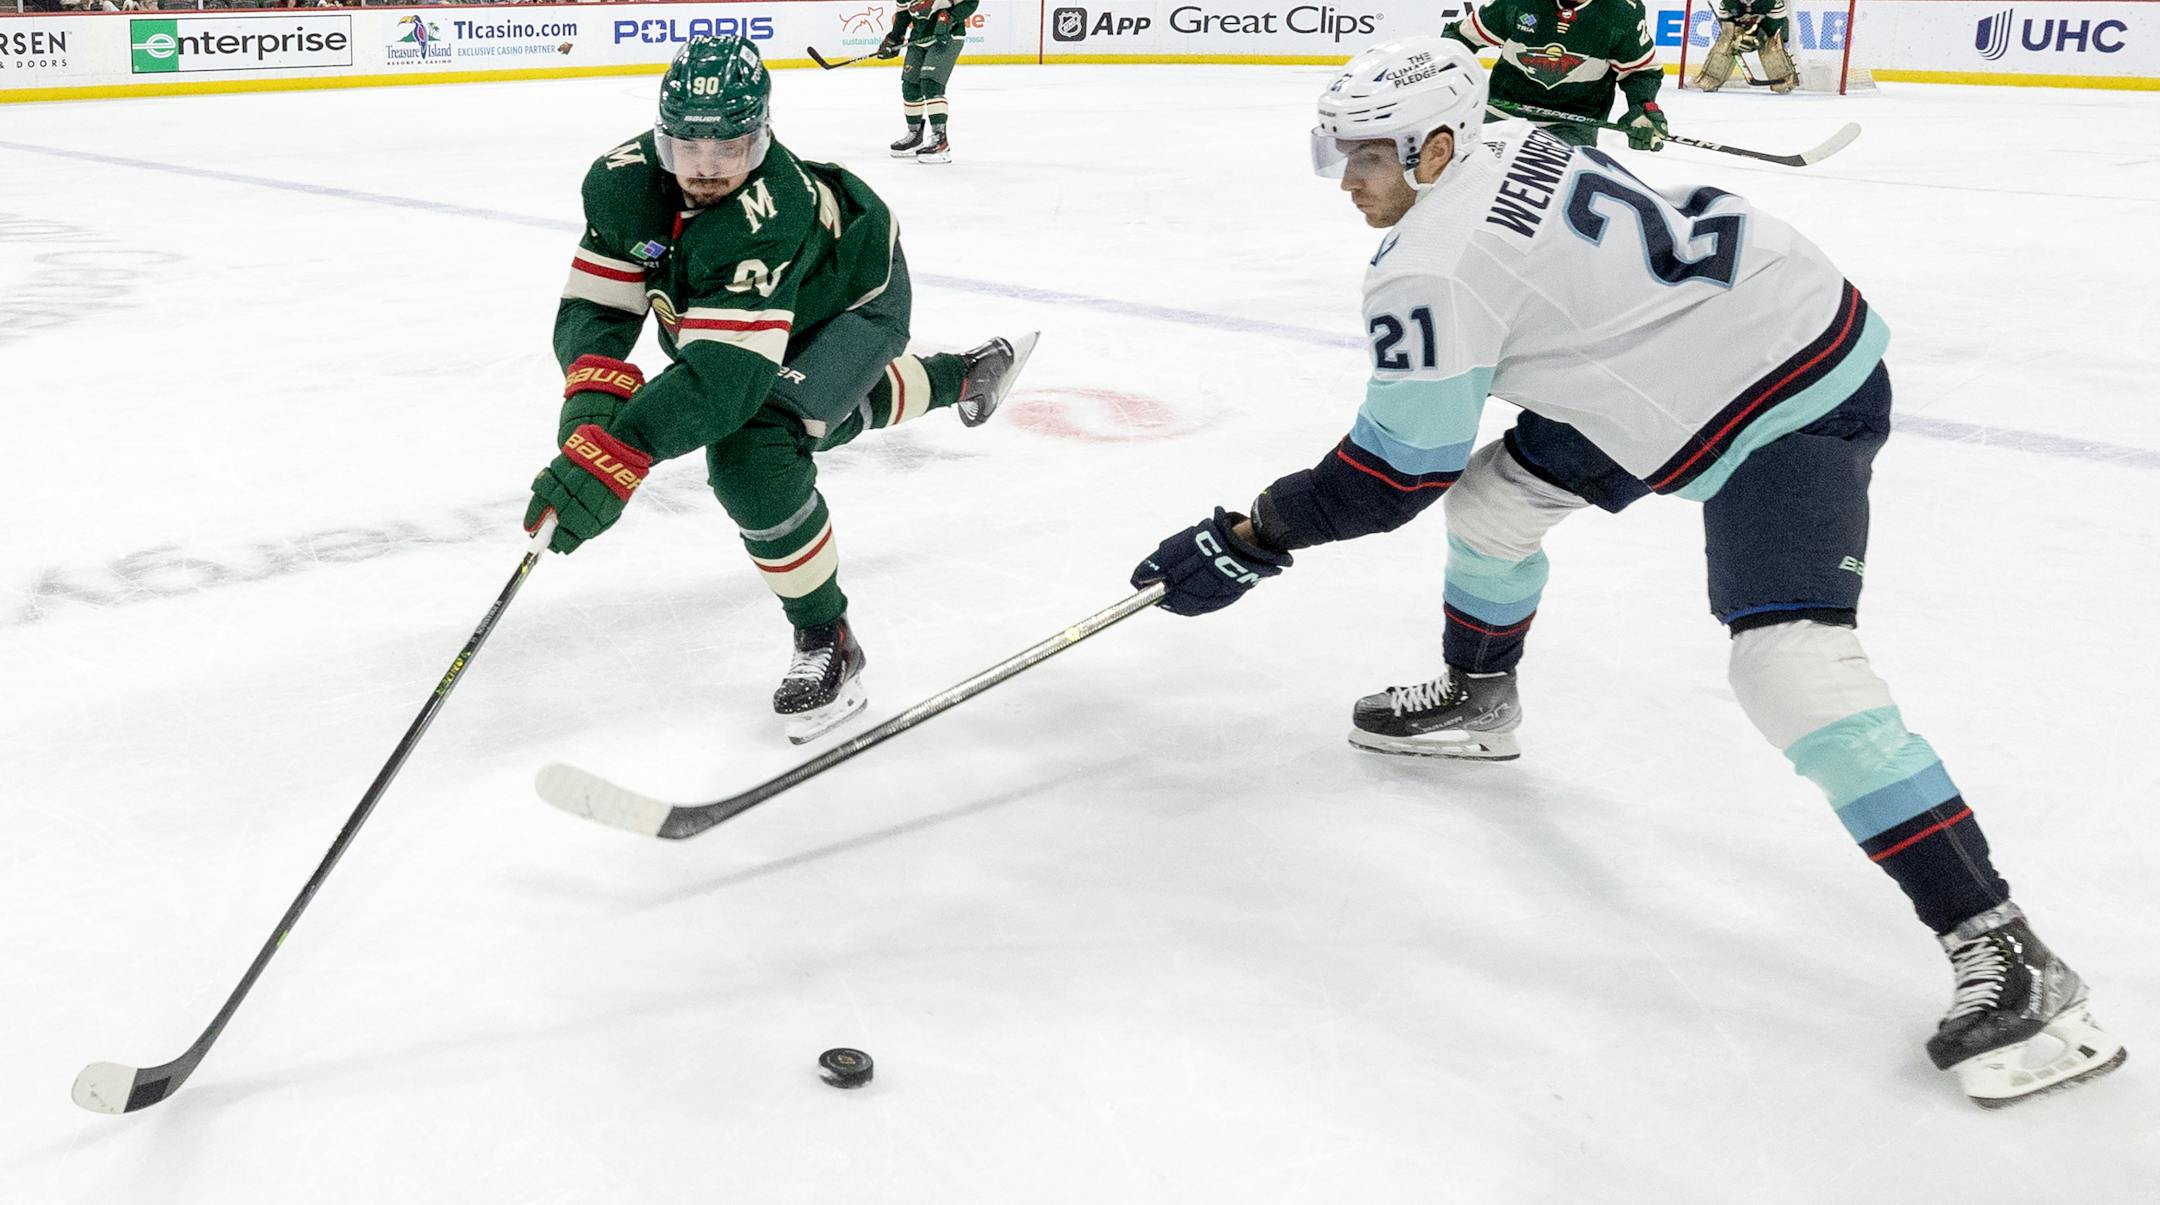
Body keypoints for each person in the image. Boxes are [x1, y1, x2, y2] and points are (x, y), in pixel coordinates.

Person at [1127, 37, 2124, 1108]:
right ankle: (1479, 694)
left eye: (1372, 155)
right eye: (1342, 153)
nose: (1350, 180)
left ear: (1442, 142)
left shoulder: (1431, 263)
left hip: (1787, 393)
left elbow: (1388, 475)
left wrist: (1254, 533)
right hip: (1726, 324)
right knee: (1499, 503)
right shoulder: (1514, 135)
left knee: (1790, 667)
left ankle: (2012, 951)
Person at [528, 36, 1037, 744]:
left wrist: (619, 450)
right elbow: (602, 306)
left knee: (757, 451)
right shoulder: (620, 182)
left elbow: (724, 387)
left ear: (762, 137)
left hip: (853, 297)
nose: (704, 170)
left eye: (728, 149)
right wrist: (591, 399)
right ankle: (964, 373)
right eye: (686, 148)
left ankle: (827, 634)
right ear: (659, 135)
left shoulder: (771, 210)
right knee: (805, 411)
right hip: (758, 305)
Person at [1444, 0, 1668, 151]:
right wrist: (1446, 75)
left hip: (1572, 123)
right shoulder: (1519, 3)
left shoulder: (1622, 13)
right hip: (1501, 112)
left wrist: (1642, 106)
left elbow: (1641, 71)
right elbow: (1459, 37)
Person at [878, 0, 979, 163]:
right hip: (919, 38)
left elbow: (970, 2)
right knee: (910, 86)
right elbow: (903, 15)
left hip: (947, 36)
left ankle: (940, 141)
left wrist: (950, 17)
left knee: (931, 84)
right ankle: (914, 136)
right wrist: (894, 38)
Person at [1693, 0, 1800, 93]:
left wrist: (1760, 37)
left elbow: (1776, 27)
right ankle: (1711, 78)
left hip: (1768, 30)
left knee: (1771, 47)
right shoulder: (1728, 2)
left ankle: (1784, 79)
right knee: (1726, 42)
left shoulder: (1771, 2)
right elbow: (1727, 28)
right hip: (1742, 30)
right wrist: (1736, 36)